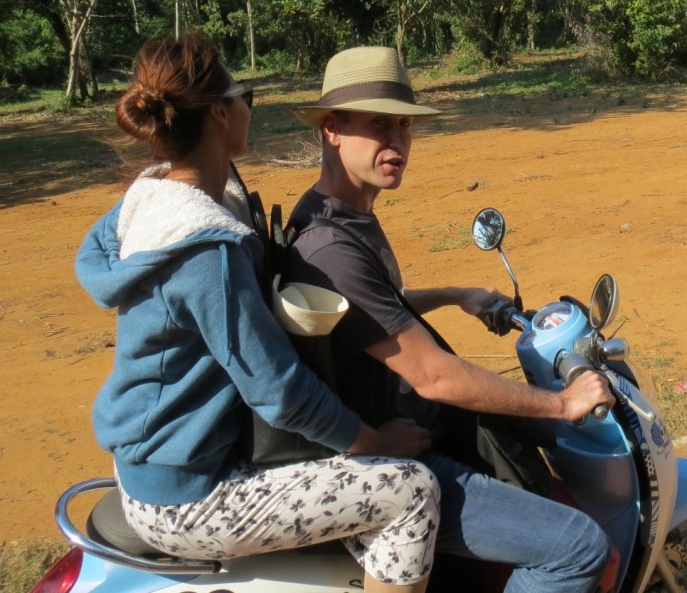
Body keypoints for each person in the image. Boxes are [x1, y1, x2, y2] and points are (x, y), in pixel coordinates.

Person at [74, 34, 439, 593]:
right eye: (245, 94)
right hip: (190, 492)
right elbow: (281, 392)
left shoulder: (154, 197)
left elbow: (92, 250)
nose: (250, 105)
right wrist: (374, 441)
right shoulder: (204, 250)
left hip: (160, 457)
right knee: (413, 492)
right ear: (220, 114)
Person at [285, 46, 616, 593]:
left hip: (409, 425)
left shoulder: (341, 215)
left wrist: (453, 293)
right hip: (401, 459)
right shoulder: (331, 246)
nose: (397, 142)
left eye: (404, 126)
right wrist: (563, 402)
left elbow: (370, 310)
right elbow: (433, 375)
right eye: (378, 125)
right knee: (578, 547)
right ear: (332, 128)